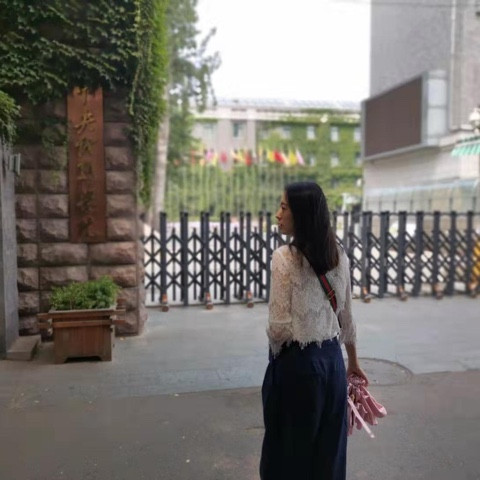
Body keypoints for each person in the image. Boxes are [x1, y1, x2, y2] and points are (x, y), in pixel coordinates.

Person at [260, 181, 368, 480]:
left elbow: (278, 328)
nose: (278, 214)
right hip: (332, 365)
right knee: (328, 455)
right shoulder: (338, 255)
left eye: (284, 207)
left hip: (296, 368)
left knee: (288, 456)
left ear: (302, 214)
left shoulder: (284, 257)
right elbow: (346, 316)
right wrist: (353, 362)